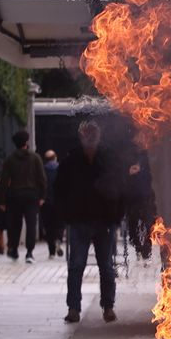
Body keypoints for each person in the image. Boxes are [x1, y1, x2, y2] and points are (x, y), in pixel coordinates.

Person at [55, 120, 124, 323]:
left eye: (93, 133)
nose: (90, 137)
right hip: (79, 220)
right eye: (87, 134)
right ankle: (74, 307)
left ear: (99, 135)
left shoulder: (108, 159)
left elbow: (120, 187)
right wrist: (66, 215)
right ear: (81, 136)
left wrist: (116, 216)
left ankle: (108, 306)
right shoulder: (71, 160)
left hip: (104, 221)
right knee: (76, 265)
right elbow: (59, 190)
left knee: (106, 266)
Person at [0, 130, 47, 263]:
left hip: (15, 195)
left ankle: (13, 249)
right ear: (26, 143)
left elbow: (4, 180)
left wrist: (2, 199)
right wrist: (42, 195)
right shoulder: (35, 158)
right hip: (32, 195)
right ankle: (29, 252)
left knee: (15, 224)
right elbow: (42, 178)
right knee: (31, 224)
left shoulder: (10, 160)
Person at [124, 147, 157, 261]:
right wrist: (128, 172)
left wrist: (141, 168)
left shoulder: (148, 155)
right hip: (132, 198)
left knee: (148, 224)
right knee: (133, 225)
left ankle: (146, 250)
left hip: (146, 196)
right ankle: (138, 247)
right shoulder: (128, 154)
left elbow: (154, 169)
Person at [40, 149, 63, 258]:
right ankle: (58, 239)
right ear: (55, 157)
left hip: (46, 202)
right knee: (59, 224)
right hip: (59, 201)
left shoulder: (42, 170)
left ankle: (51, 252)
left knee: (49, 226)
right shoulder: (61, 169)